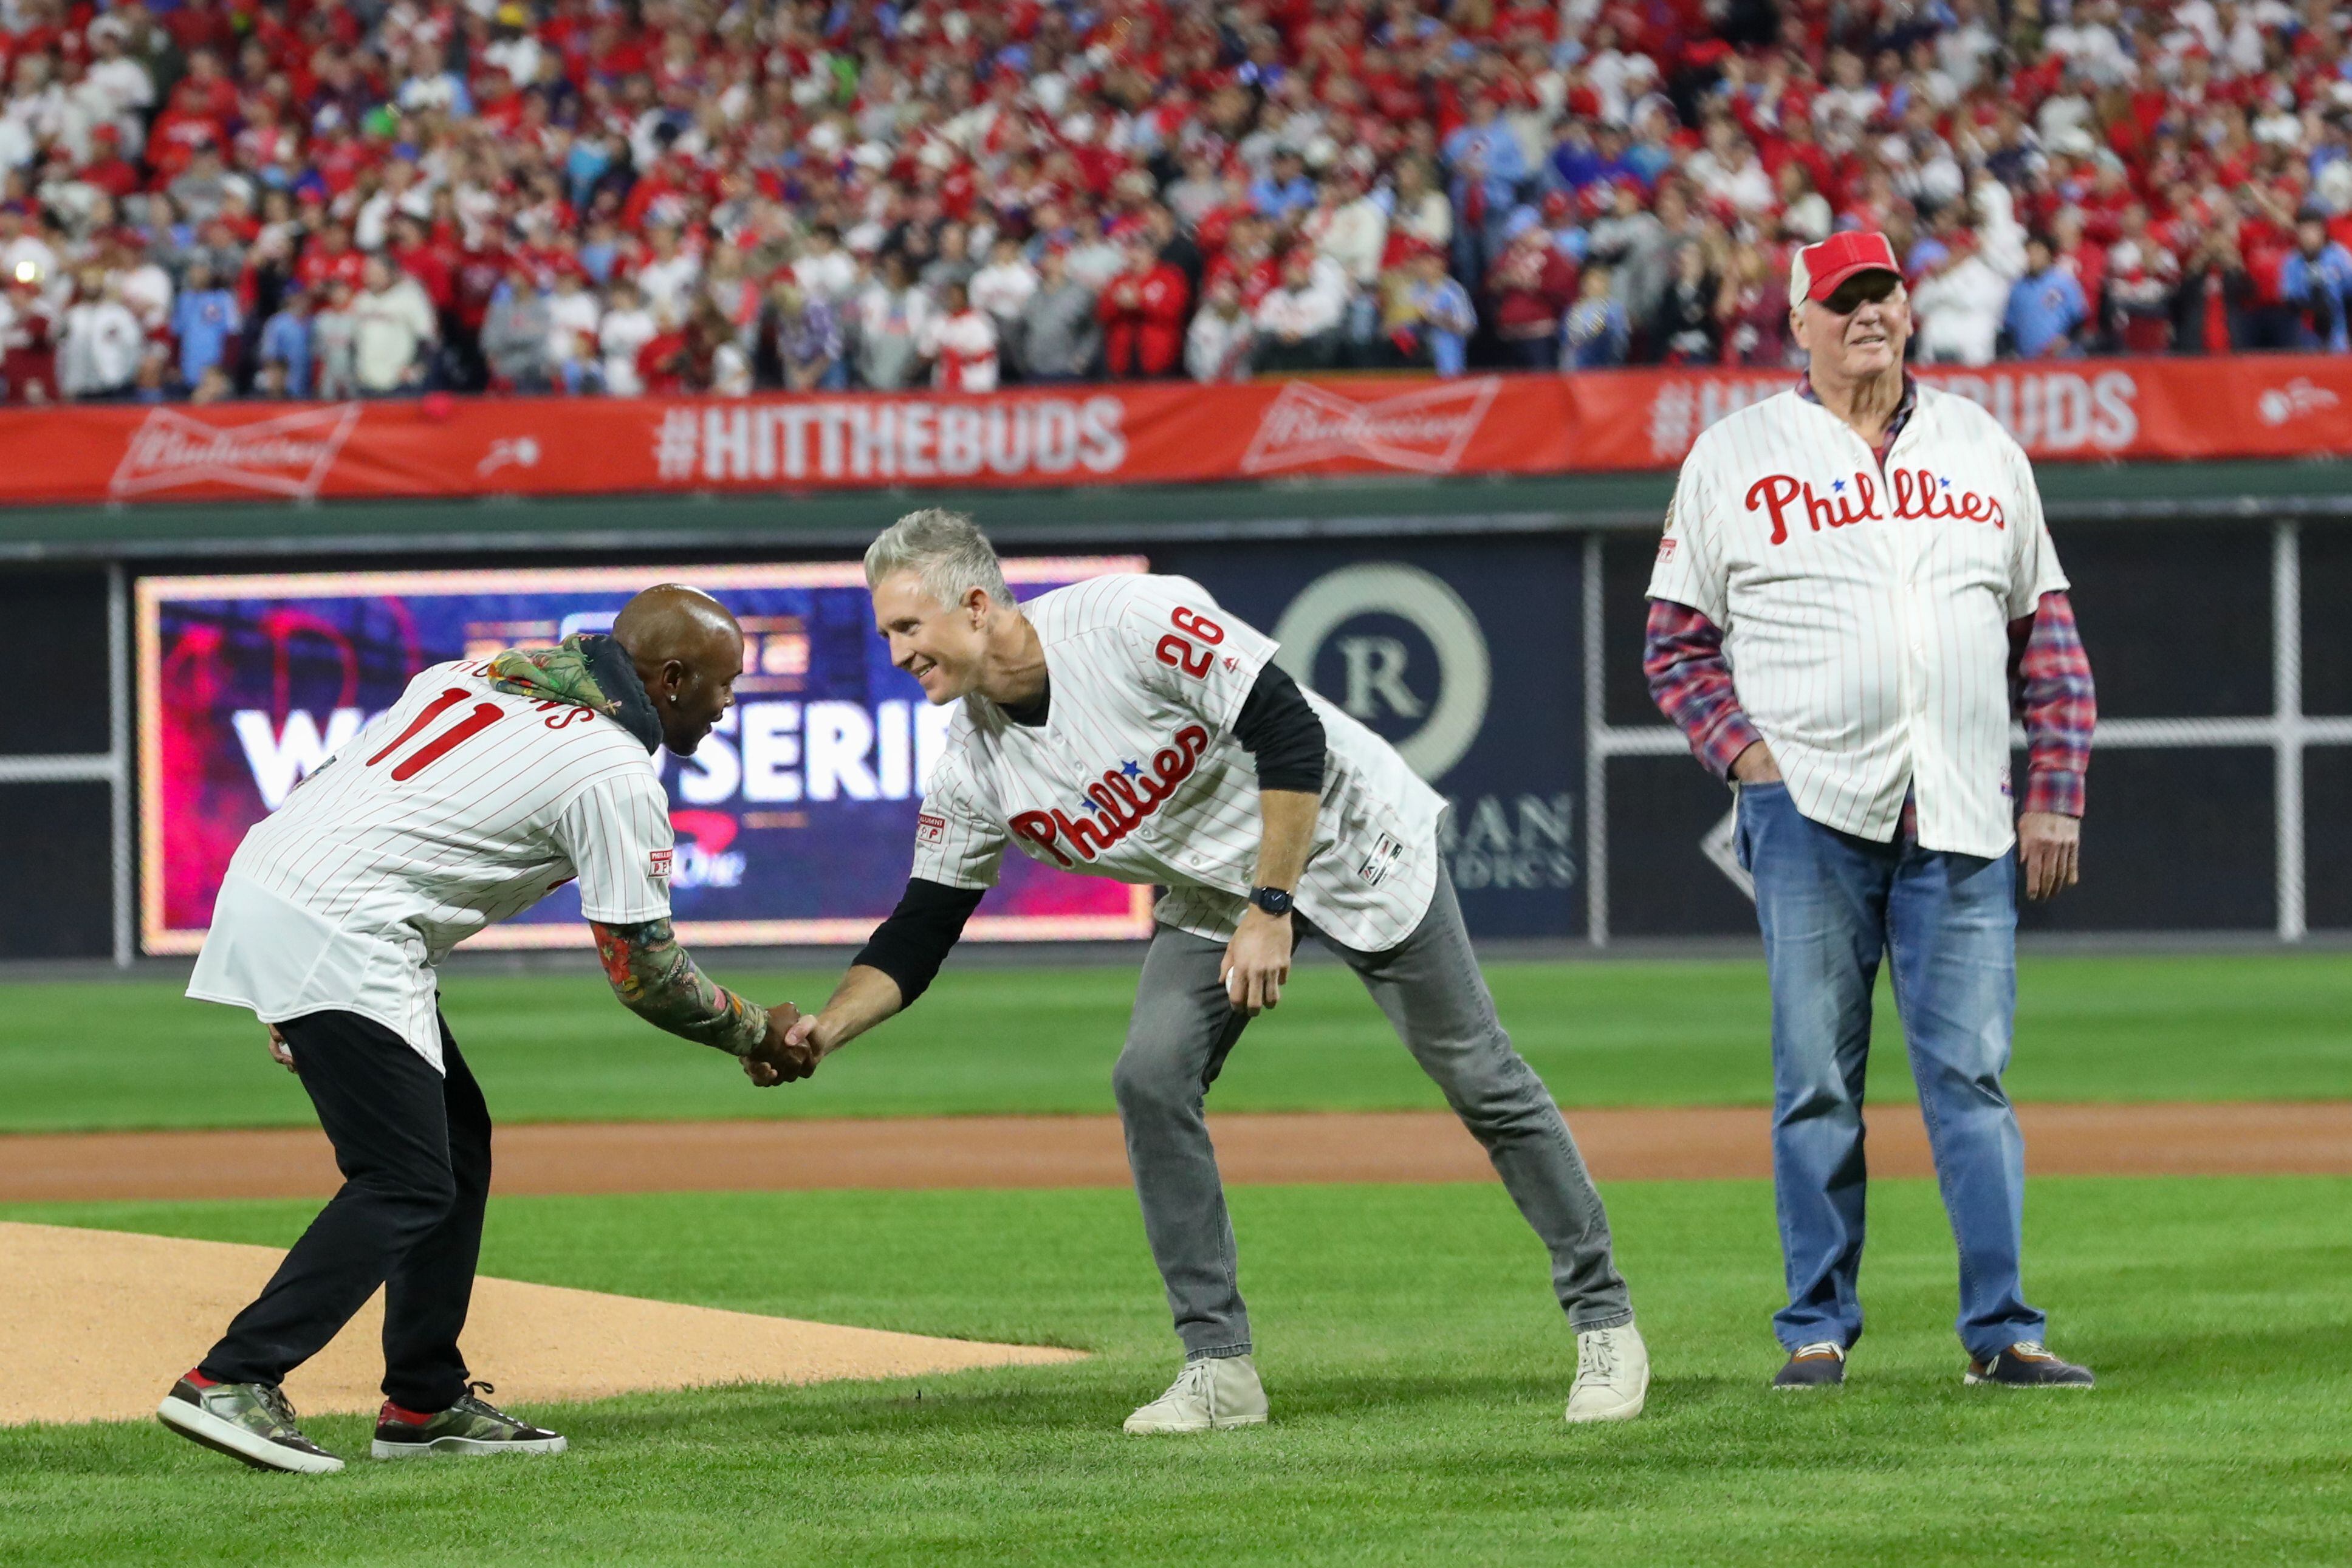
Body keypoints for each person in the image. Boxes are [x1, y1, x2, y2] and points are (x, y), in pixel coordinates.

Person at [781, 511, 1648, 1434]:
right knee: (1151, 1075)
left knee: (1479, 1073)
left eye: (907, 628)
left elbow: (1288, 723)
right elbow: (923, 927)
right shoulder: (975, 764)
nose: (897, 651)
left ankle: (1606, 1322)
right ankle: (1220, 1367)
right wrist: (825, 1029)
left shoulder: (1125, 622)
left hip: (1342, 832)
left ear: (978, 604)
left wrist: (1272, 907)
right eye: (885, 635)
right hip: (1214, 888)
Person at [160, 586, 811, 1474]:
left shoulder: (470, 675)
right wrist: (756, 1034)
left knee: (455, 1147)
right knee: (405, 1177)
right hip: (349, 930)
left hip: (289, 886)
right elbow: (647, 973)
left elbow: (350, 808)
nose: (729, 702)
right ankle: (233, 1378)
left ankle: (424, 1400)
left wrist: (288, 981)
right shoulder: (612, 769)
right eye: (724, 684)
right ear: (669, 678)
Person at [1643, 230, 2099, 1392]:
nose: (1867, 314)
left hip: (1961, 809)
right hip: (1810, 810)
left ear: (1909, 308)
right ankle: (1816, 1326)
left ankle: (2004, 1332)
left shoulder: (1983, 447)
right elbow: (1677, 643)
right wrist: (1746, 758)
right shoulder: (1734, 455)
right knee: (1816, 1079)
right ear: (1796, 322)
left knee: (1975, 1081)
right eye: (1841, 299)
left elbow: (2048, 641)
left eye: (1882, 294)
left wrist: (2056, 794)